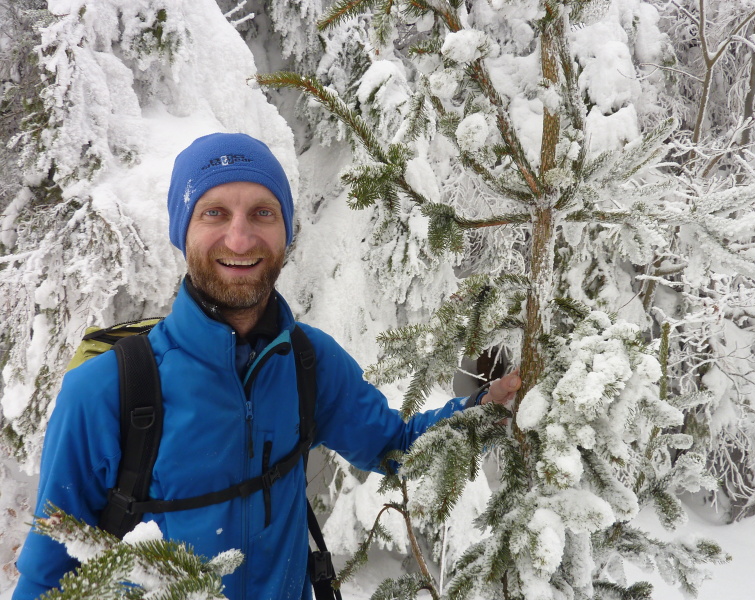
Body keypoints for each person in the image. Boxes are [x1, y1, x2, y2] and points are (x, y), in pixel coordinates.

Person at [12, 133, 521, 600]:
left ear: (285, 232)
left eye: (262, 213)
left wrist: (482, 409)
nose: (239, 239)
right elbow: (48, 577)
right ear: (181, 230)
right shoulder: (107, 390)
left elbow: (396, 447)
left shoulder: (307, 362)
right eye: (214, 213)